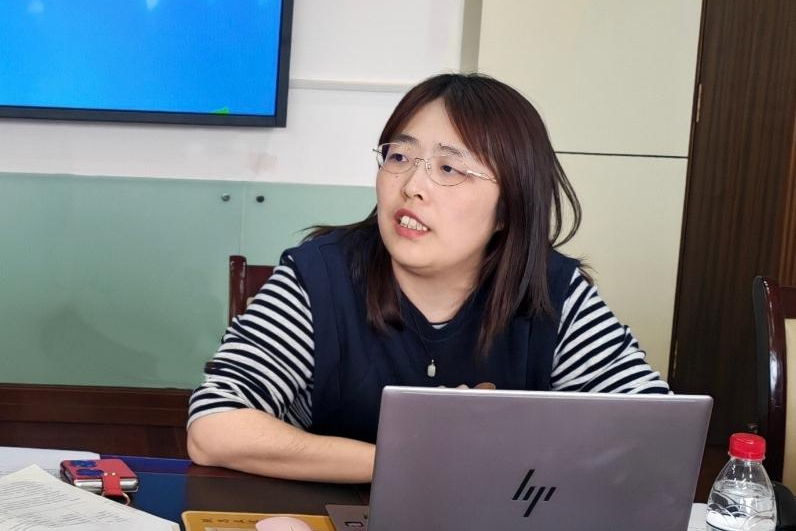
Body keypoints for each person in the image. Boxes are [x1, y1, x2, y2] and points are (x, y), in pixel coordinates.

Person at [186, 73, 669, 484]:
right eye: (399, 157)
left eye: (449, 168)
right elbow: (214, 427)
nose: (412, 186)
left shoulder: (552, 292)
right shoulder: (318, 277)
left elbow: (654, 434)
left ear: (509, 207)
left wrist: (509, 435)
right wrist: (416, 458)